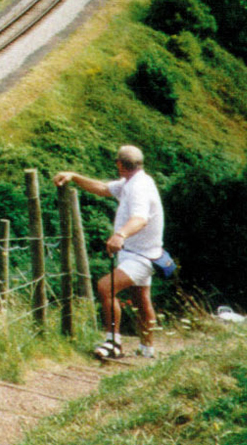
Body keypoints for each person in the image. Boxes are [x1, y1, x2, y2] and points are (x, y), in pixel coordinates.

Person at [53, 145, 164, 360]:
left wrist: (120, 235)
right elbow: (103, 188)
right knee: (141, 299)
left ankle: (113, 342)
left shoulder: (138, 188)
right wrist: (74, 177)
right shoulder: (135, 181)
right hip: (144, 252)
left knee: (105, 287)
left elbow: (140, 219)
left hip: (141, 255)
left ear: (120, 165)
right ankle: (147, 349)